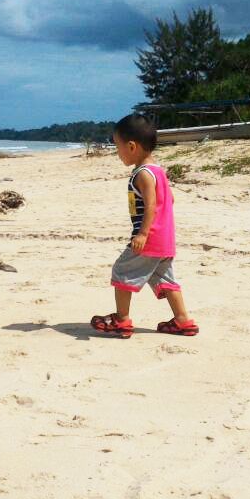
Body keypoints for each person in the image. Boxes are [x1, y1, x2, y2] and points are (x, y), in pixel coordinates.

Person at [90, 114, 197, 339]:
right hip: (165, 240)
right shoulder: (158, 171)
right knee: (166, 281)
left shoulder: (143, 175)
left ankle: (121, 319)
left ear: (131, 146)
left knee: (121, 270)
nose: (117, 153)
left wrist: (143, 233)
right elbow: (170, 201)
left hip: (149, 239)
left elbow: (151, 206)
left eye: (118, 147)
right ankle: (182, 320)